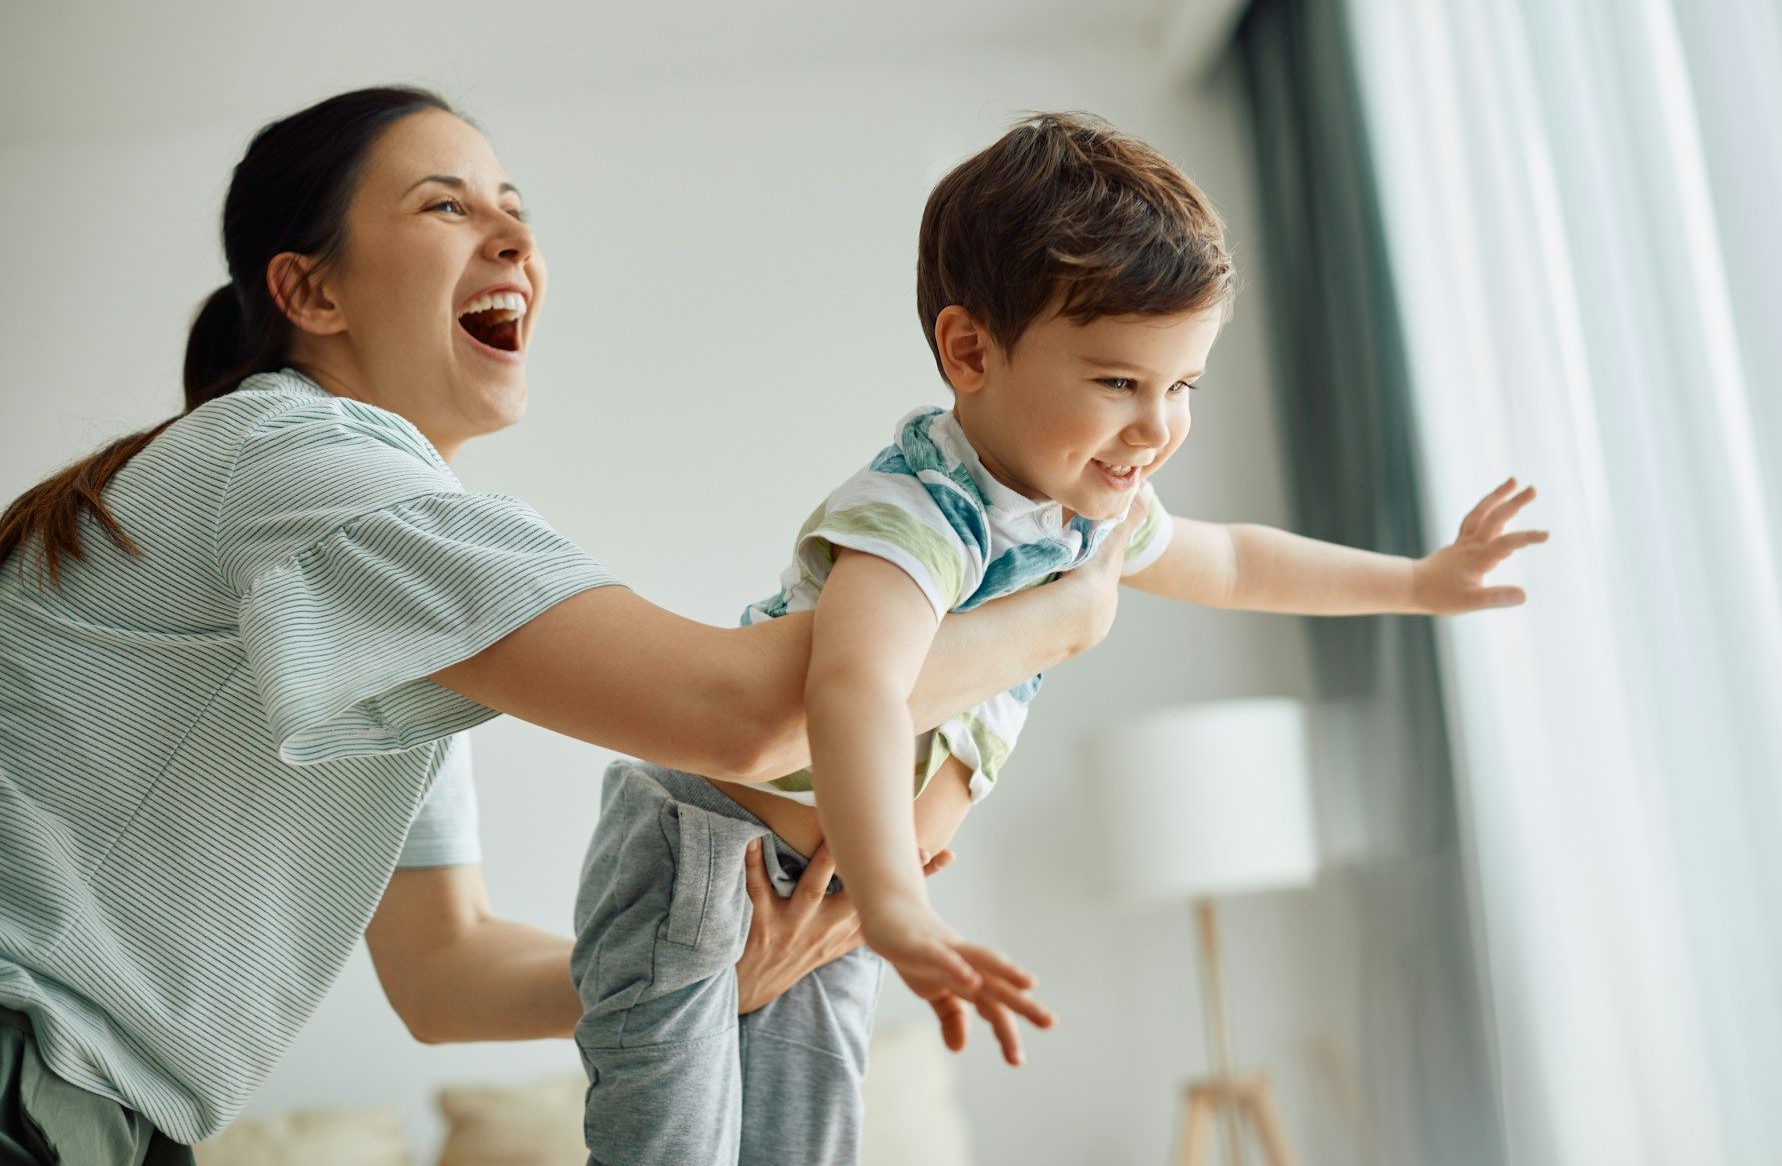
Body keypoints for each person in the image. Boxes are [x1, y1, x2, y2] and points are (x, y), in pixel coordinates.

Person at [0, 87, 1120, 1164]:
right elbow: (749, 715)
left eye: (517, 210)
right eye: (449, 204)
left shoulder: (375, 602)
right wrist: (1063, 614)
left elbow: (448, 971)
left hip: (113, 1104)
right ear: (310, 291)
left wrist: (701, 967)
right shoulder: (296, 463)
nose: (513, 241)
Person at [570, 112, 1548, 1165]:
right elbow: (852, 691)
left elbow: (1236, 562)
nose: (1158, 427)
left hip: (838, 890)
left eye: (1183, 386)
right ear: (970, 350)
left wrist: (1416, 580)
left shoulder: (1092, 516)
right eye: (1119, 381)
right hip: (709, 859)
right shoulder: (921, 512)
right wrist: (898, 904)